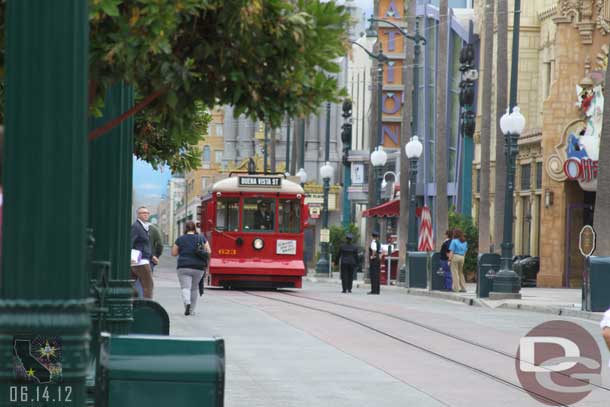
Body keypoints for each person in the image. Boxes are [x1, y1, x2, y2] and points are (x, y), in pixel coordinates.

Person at [171, 220, 210, 316]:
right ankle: (191, 310)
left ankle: (187, 303)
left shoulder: (180, 239)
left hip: (183, 266)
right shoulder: (201, 238)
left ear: (185, 228)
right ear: (194, 228)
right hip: (198, 267)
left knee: (185, 287)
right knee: (194, 288)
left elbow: (174, 253)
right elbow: (208, 251)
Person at [130, 206, 155, 299]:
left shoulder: (144, 227)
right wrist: (131, 257)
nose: (146, 214)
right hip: (140, 261)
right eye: (143, 213)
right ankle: (147, 305)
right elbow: (130, 242)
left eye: (147, 213)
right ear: (138, 215)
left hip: (143, 259)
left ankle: (133, 302)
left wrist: (152, 256)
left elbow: (144, 245)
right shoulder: (136, 227)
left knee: (132, 283)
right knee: (148, 285)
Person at [448, 228, 468, 293]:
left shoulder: (454, 241)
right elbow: (465, 251)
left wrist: (449, 260)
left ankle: (456, 289)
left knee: (455, 273)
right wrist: (463, 258)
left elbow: (452, 251)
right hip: (462, 257)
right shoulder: (465, 241)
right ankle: (463, 288)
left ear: (455, 234)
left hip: (455, 256)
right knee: (460, 273)